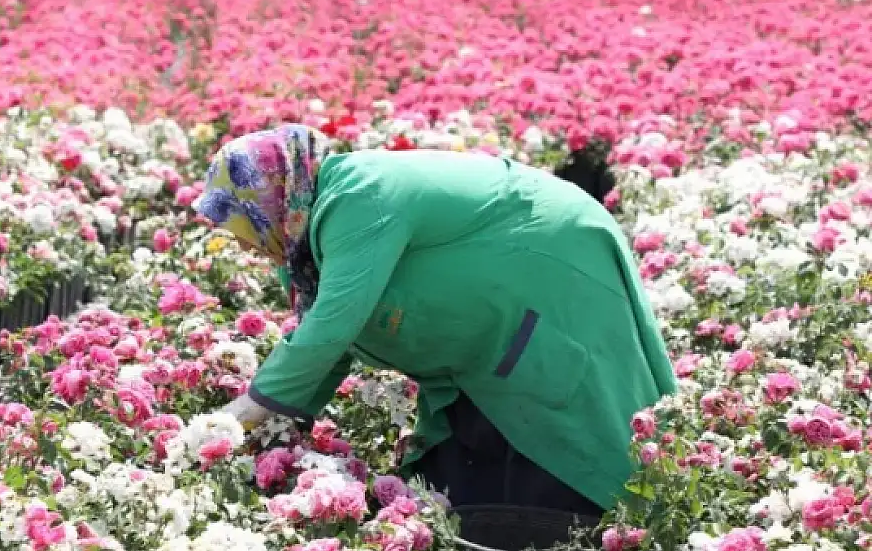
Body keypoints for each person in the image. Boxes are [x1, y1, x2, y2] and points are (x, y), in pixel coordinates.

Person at [196, 125, 677, 538]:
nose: (242, 241)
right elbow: (328, 345)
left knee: (560, 431)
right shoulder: (305, 246)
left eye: (242, 222)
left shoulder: (357, 196)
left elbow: (330, 327)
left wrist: (233, 420)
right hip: (479, 331)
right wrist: (277, 426)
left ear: (269, 197)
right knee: (462, 477)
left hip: (554, 264)